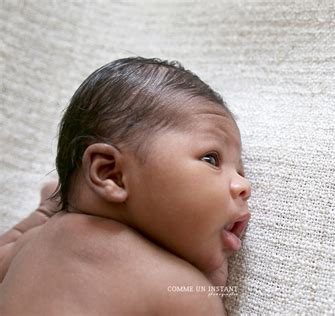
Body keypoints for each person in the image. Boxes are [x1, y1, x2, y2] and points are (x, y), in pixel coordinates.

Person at [0, 57, 251, 315]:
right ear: (112, 174)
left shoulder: (30, 243)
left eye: (240, 171)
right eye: (211, 159)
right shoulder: (181, 292)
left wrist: (42, 213)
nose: (244, 185)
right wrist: (209, 289)